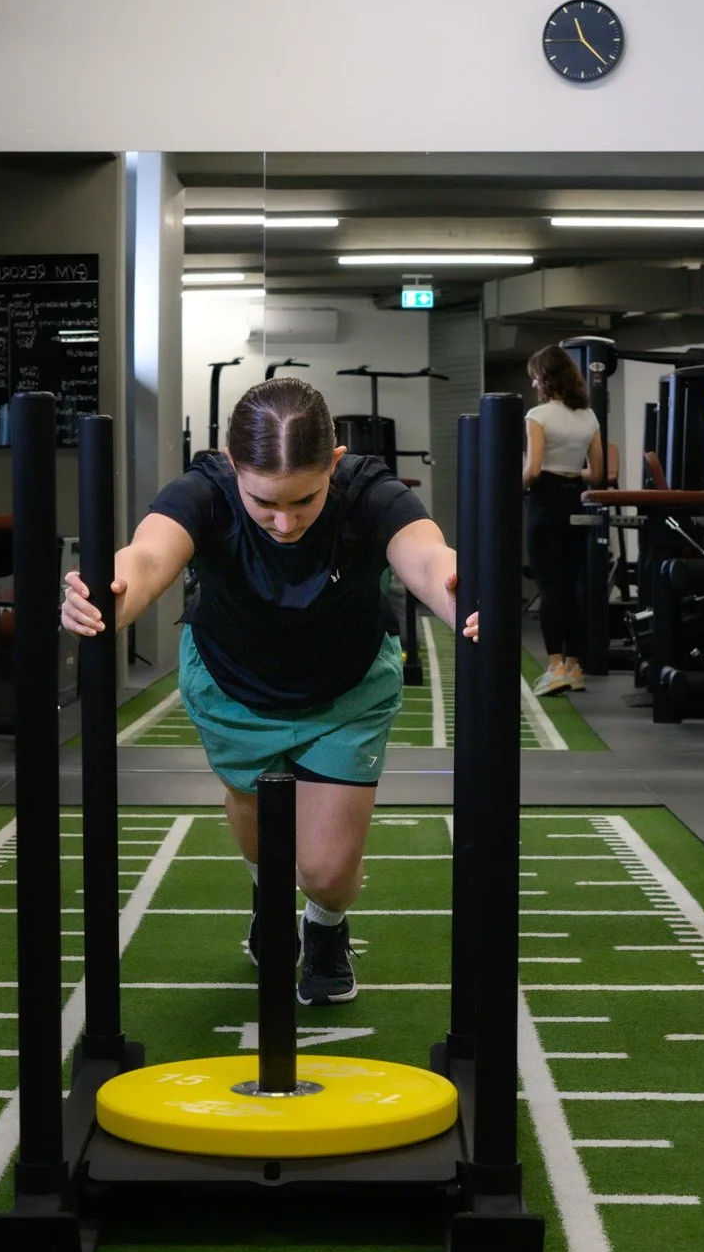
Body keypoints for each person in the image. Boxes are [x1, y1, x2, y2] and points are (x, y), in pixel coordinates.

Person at [60, 376, 468, 1006]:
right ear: (232, 466)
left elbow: (427, 557)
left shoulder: (367, 491)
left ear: (333, 463)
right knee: (257, 822)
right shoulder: (204, 490)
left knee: (326, 872)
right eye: (264, 502)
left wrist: (462, 594)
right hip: (233, 683)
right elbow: (144, 559)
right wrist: (105, 597)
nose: (284, 522)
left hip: (345, 688)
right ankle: (267, 900)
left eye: (304, 501)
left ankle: (327, 929)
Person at [522, 344, 604, 696]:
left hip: (545, 503)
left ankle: (555, 666)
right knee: (572, 588)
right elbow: (597, 473)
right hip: (577, 502)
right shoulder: (589, 416)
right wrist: (574, 473)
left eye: (534, 377)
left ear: (545, 377)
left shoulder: (538, 416)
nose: (533, 384)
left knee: (550, 587)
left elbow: (533, 470)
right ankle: (575, 667)